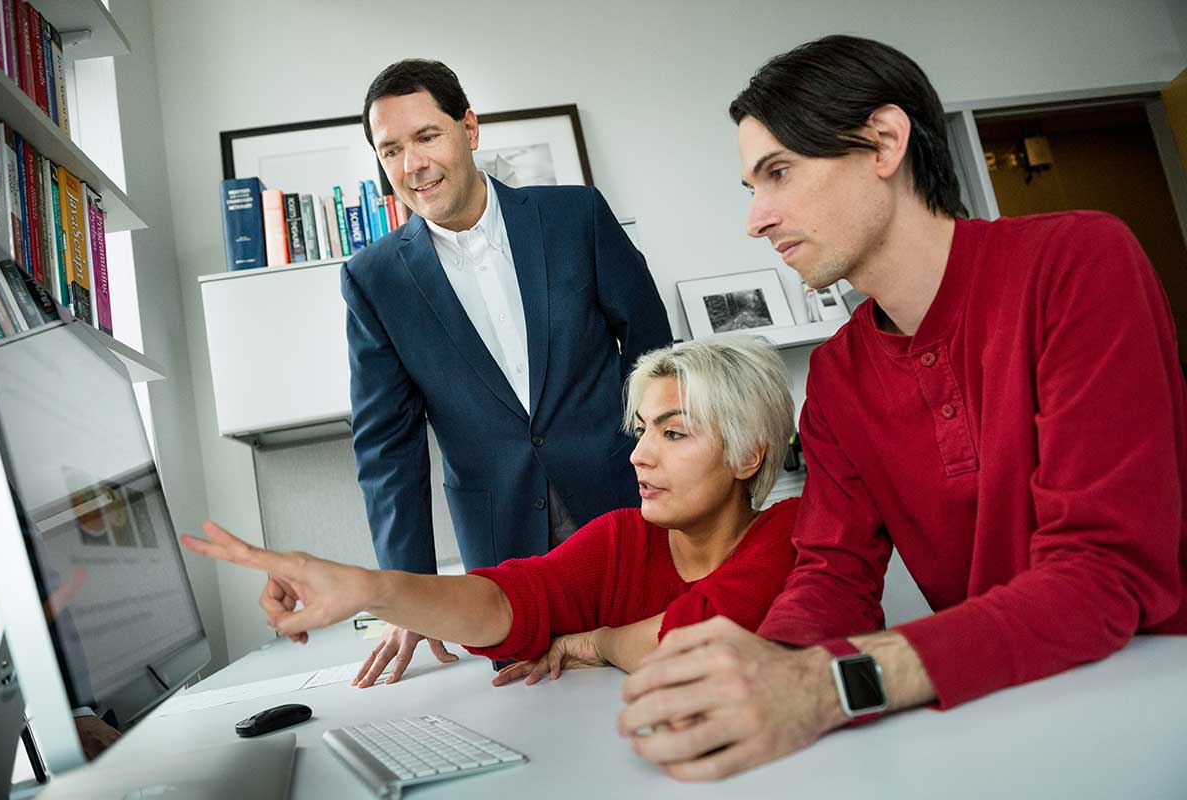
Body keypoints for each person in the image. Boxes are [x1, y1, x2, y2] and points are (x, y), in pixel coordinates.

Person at [618, 34, 1187, 781]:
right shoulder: (838, 377)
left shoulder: (1078, 262)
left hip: (1153, 698)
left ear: (885, 141)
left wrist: (829, 685)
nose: (757, 219)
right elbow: (833, 574)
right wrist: (769, 671)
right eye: (752, 187)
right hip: (1007, 707)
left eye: (779, 173)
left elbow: (1104, 574)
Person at [182, 337, 800, 683]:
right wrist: (370, 588)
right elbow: (511, 599)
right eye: (640, 430)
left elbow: (701, 635)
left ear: (748, 455)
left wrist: (600, 642)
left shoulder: (792, 531)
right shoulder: (620, 537)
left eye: (673, 433)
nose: (638, 455)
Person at [344, 60, 672, 684]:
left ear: (469, 129)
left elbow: (653, 346)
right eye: (390, 149)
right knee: (536, 715)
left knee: (657, 673)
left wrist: (656, 450)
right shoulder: (374, 279)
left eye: (426, 136)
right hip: (503, 545)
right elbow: (388, 446)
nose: (412, 164)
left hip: (625, 505)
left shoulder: (576, 216)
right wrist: (407, 593)